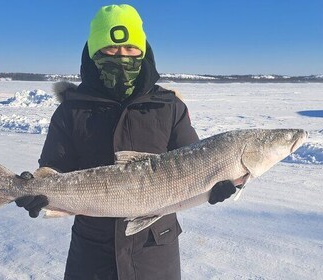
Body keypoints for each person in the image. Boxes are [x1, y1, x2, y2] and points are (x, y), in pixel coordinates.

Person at [15, 4, 237, 280]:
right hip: (93, 252)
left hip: (155, 250)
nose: (122, 57)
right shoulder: (72, 110)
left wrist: (219, 183)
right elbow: (54, 168)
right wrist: (35, 189)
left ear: (143, 51)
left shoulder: (168, 106)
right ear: (95, 53)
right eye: (111, 49)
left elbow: (195, 160)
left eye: (131, 49)